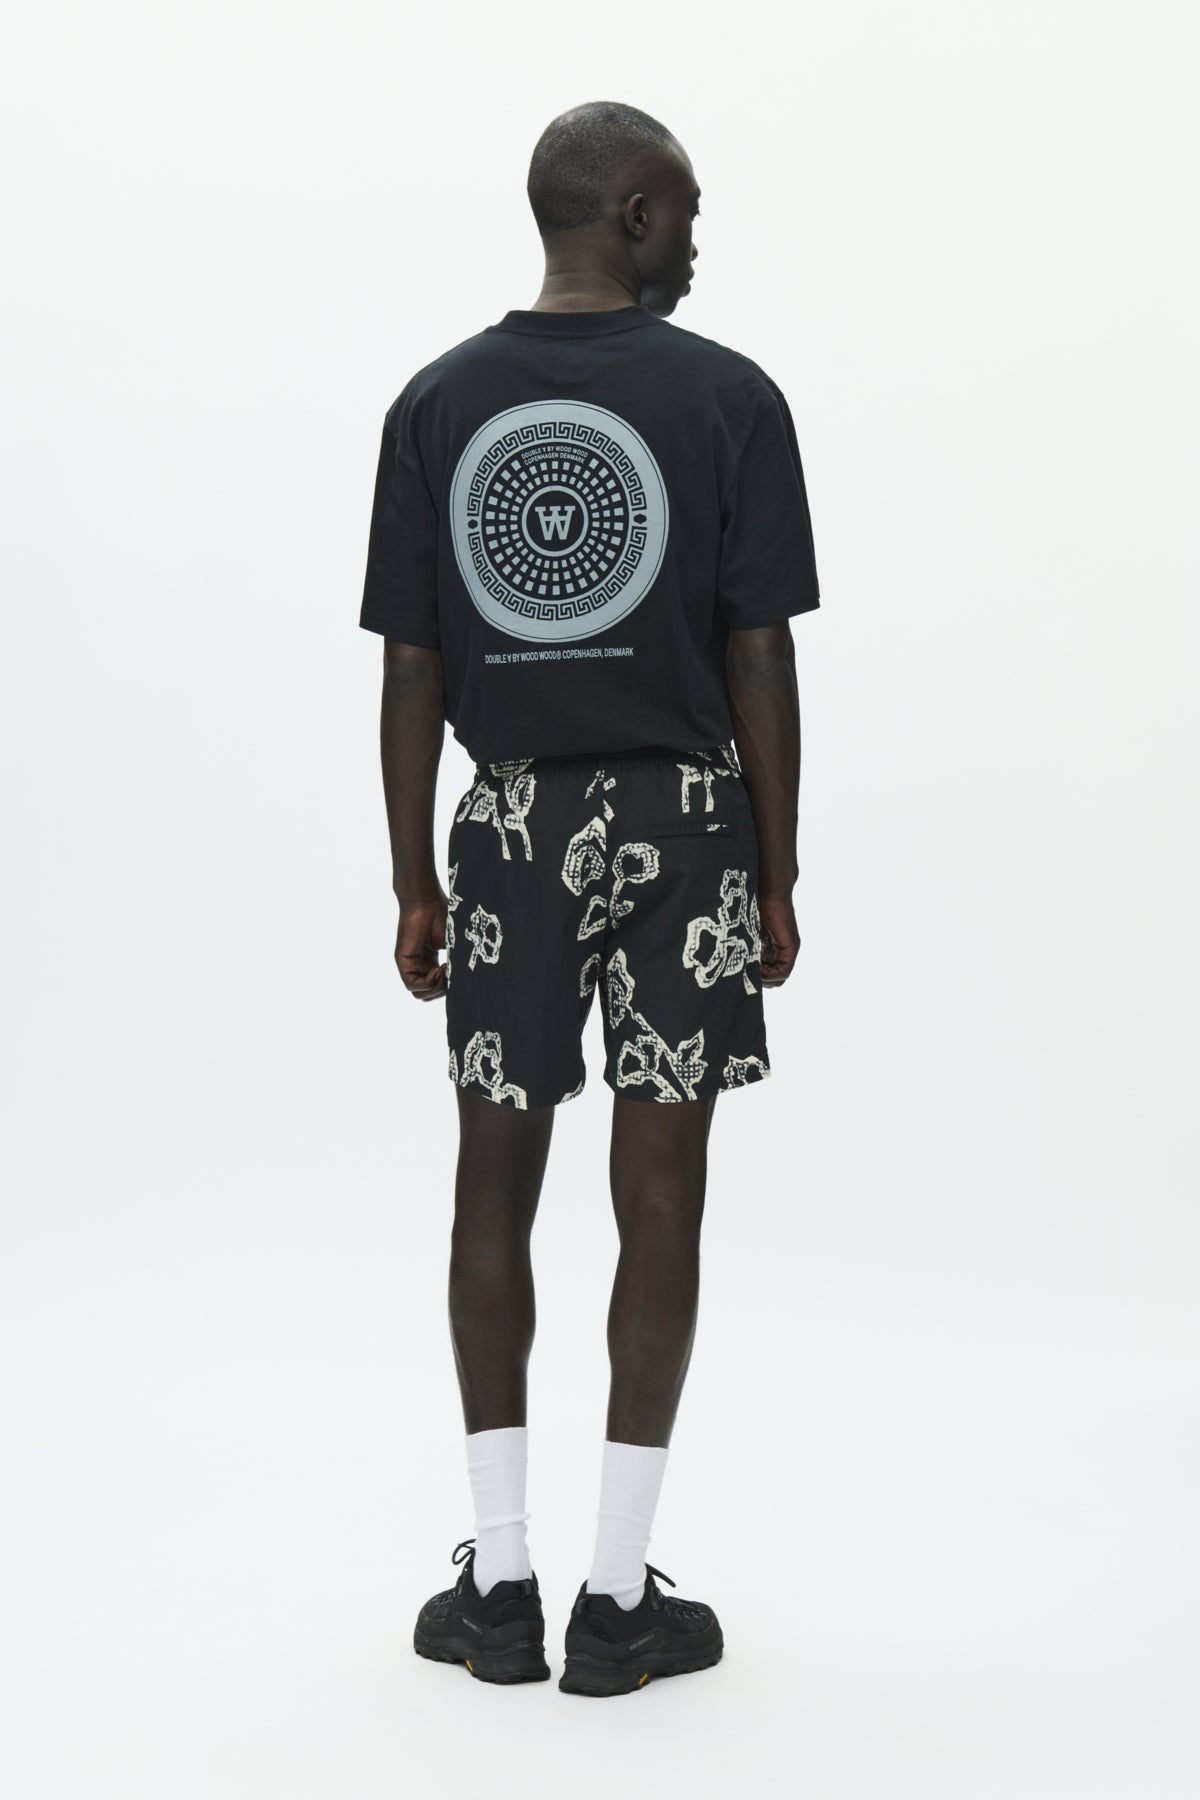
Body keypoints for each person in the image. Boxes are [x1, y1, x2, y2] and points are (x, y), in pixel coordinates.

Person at [358, 99, 820, 1697]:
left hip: (508, 828)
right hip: (688, 827)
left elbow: (413, 668)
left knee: (492, 1185)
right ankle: (618, 1603)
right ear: (631, 213)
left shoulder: (438, 403)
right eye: (683, 211)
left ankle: (501, 1588)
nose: (694, 240)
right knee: (663, 1189)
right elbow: (759, 654)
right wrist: (776, 867)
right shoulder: (731, 399)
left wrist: (416, 879)